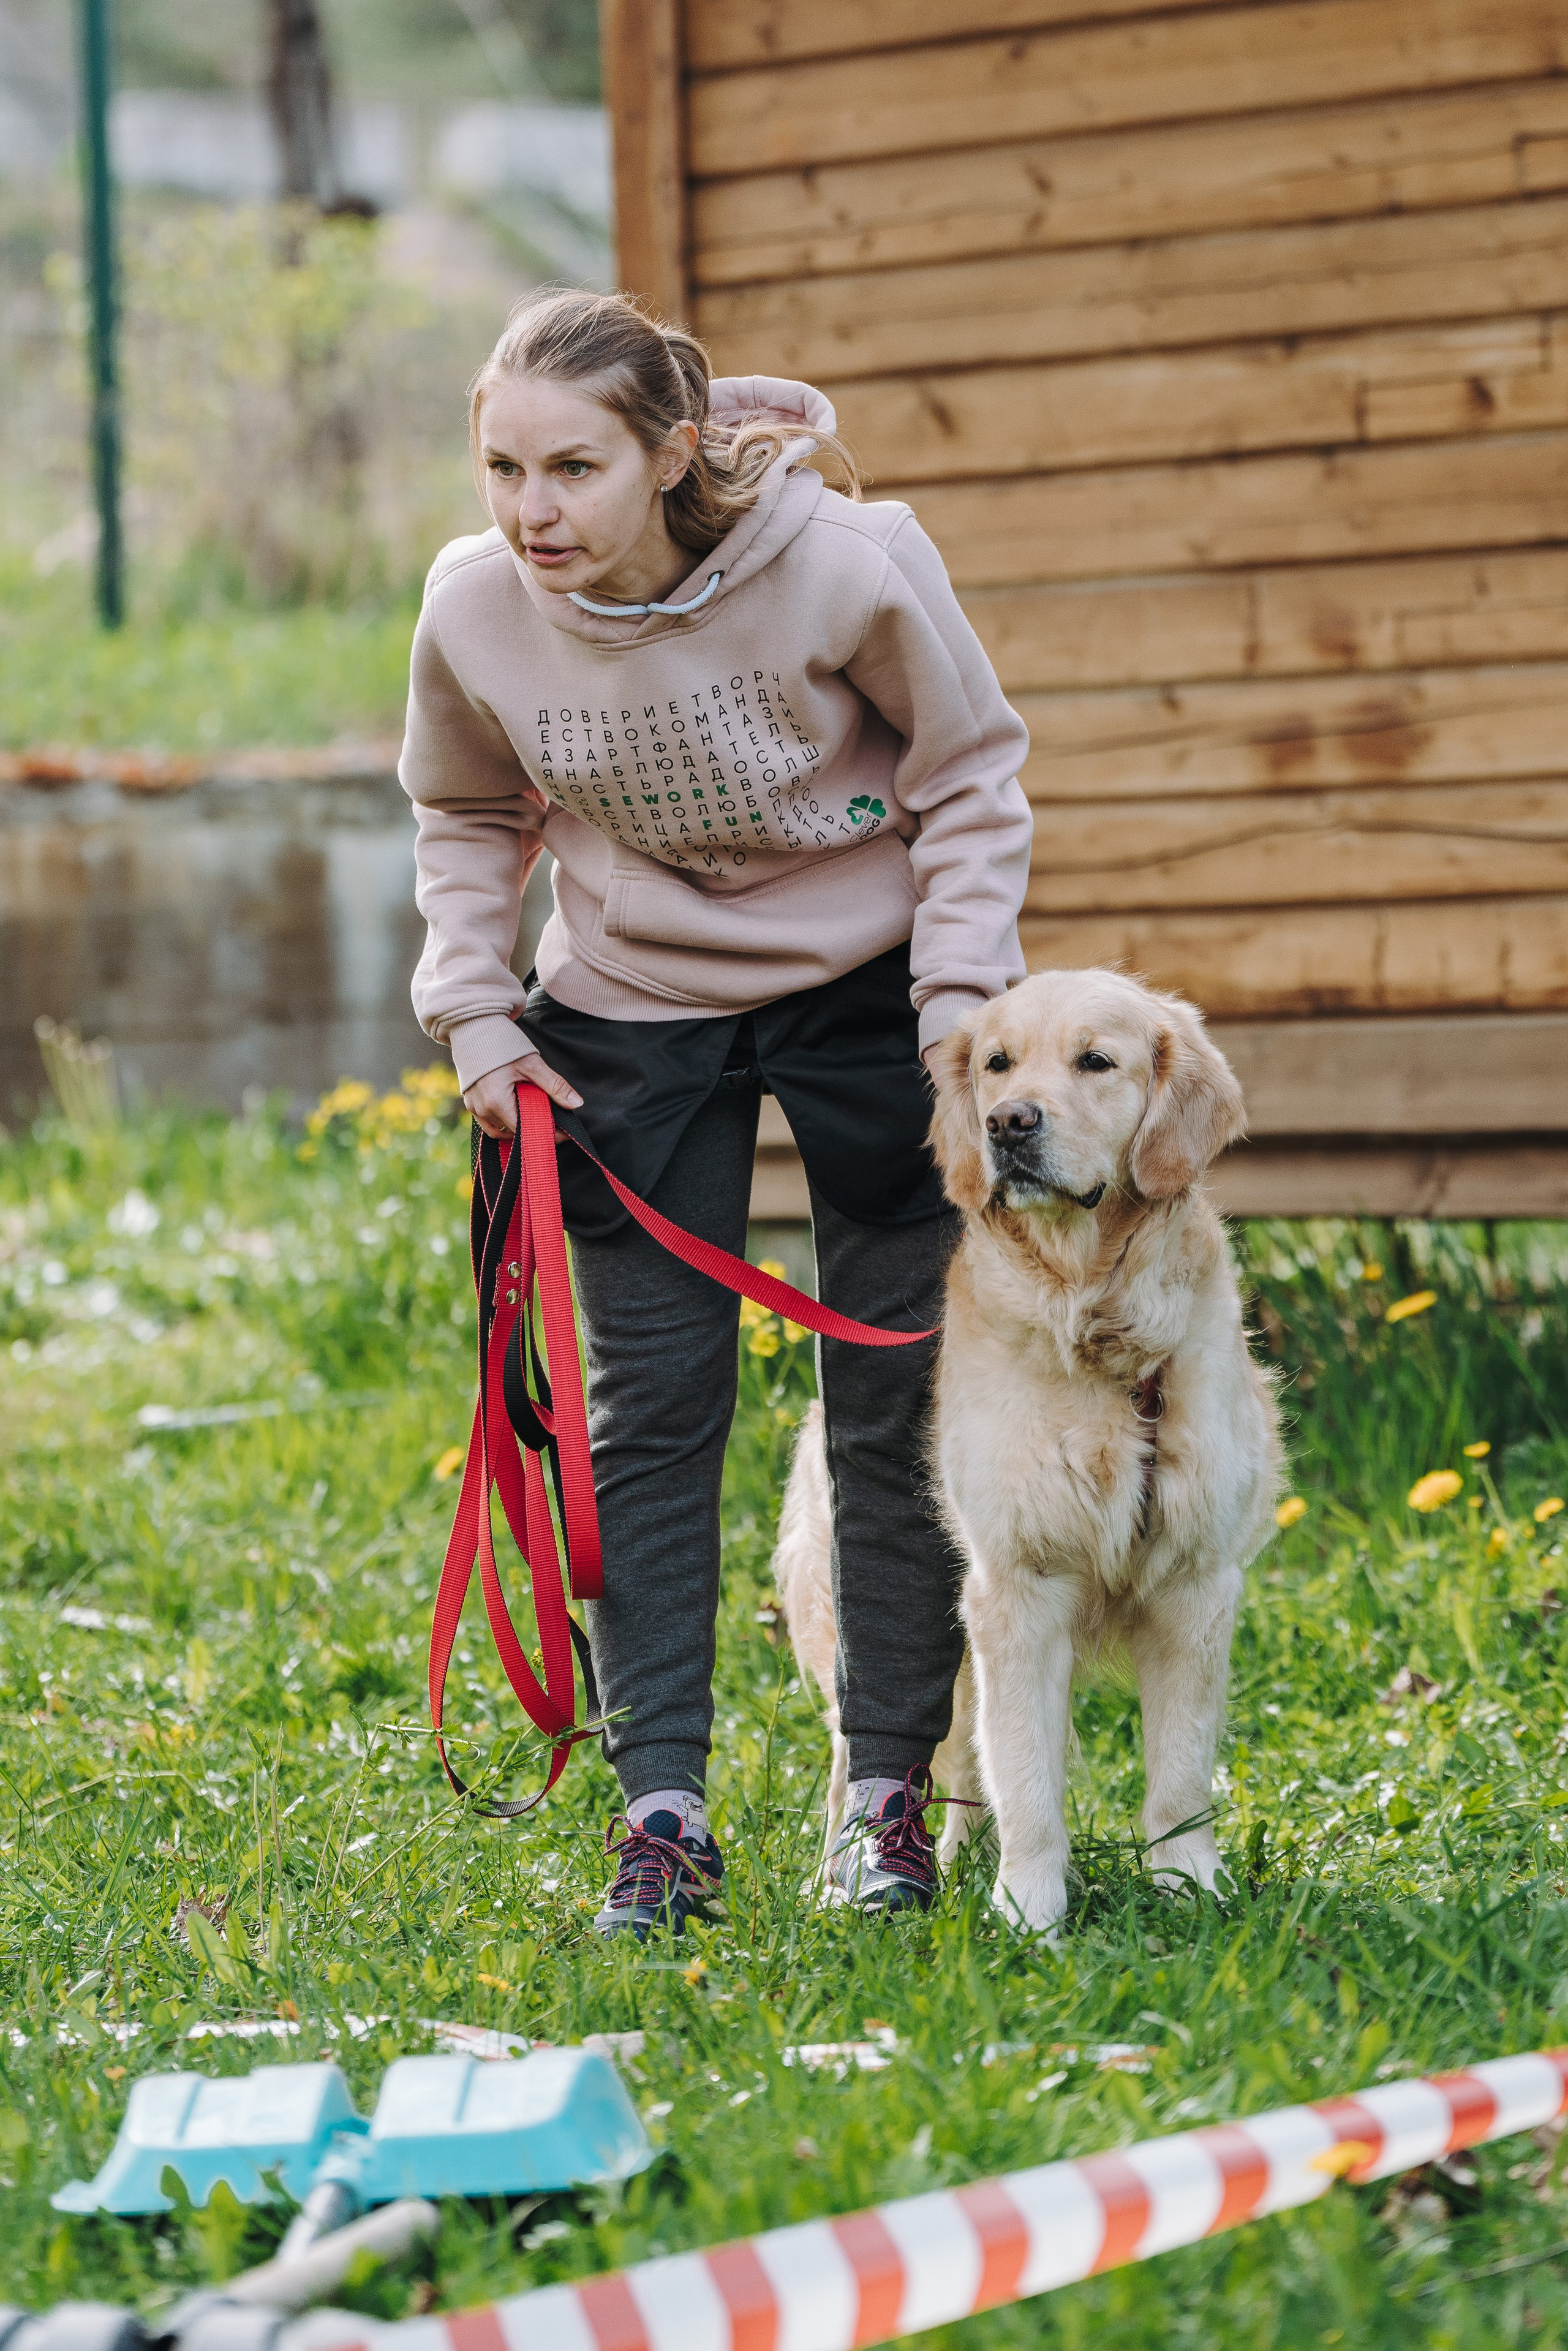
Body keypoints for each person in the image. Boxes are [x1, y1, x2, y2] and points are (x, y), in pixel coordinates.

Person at [401, 287, 1032, 1936]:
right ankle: (663, 1817)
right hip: (627, 1001)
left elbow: (970, 777)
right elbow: (466, 812)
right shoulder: (474, 607)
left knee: (893, 1396)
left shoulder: (851, 564)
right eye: (504, 469)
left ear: (671, 454)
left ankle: (886, 1800)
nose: (533, 512)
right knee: (649, 1413)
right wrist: (474, 1009)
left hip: (872, 990)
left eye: (575, 469)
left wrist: (961, 1010)